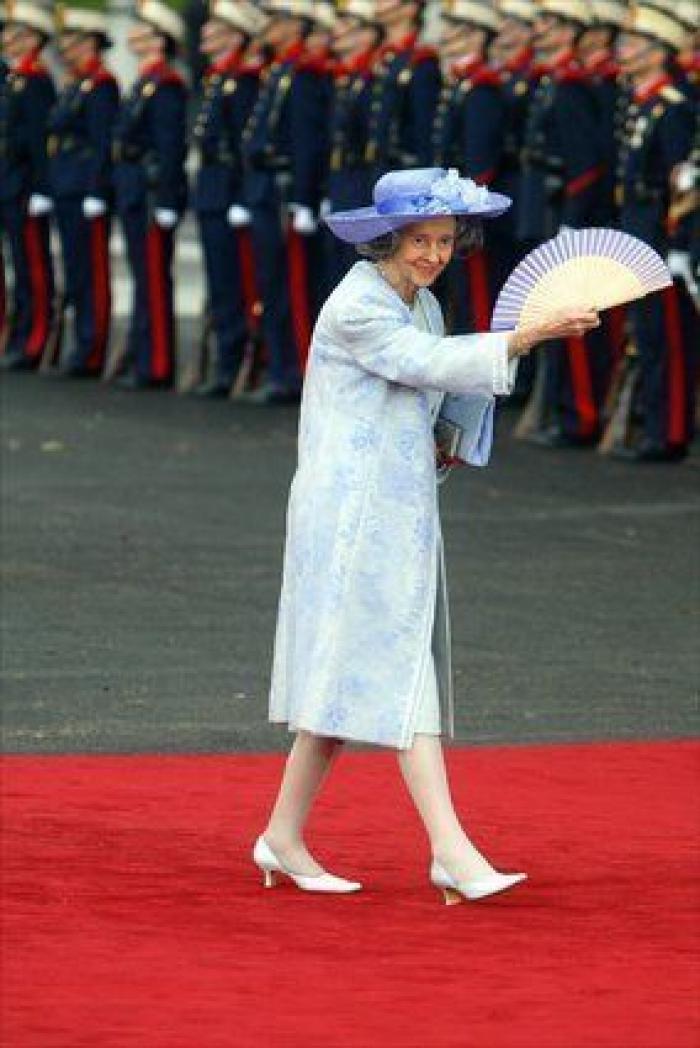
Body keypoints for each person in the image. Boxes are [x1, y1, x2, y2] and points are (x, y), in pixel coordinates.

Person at [252, 167, 600, 903]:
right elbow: (423, 363)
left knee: (345, 676)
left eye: (445, 241)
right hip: (349, 514)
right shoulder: (357, 305)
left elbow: (433, 387)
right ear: (388, 238)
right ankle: (451, 851)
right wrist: (521, 337)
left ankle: (282, 835)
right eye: (421, 240)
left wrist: (447, 434)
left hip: (395, 505)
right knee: (401, 667)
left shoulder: (424, 302)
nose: (435, 254)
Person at [612, 2, 698, 461]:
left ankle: (669, 432)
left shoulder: (672, 109)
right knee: (646, 334)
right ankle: (653, 424)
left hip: (660, 236)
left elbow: (682, 186)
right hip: (637, 230)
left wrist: (679, 244)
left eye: (633, 43)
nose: (623, 50)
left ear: (658, 51)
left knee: (668, 338)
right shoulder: (641, 101)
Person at [189, 0, 268, 397]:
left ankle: (236, 361)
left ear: (236, 37)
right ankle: (225, 359)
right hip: (211, 188)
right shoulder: (218, 77)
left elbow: (242, 145)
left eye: (215, 28)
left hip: (229, 191)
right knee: (219, 283)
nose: (205, 33)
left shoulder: (244, 80)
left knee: (236, 282)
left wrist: (239, 195)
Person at [111, 0, 188, 390]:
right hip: (135, 190)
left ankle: (156, 362)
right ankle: (143, 355)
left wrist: (168, 199)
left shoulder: (166, 85)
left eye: (142, 29)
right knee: (143, 277)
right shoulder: (144, 82)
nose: (134, 35)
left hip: (151, 193)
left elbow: (169, 147)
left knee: (154, 280)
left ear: (159, 40)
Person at [47, 0, 118, 378]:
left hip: (84, 187)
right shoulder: (76, 84)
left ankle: (92, 348)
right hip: (66, 184)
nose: (64, 48)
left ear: (89, 42)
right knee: (75, 270)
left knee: (92, 273)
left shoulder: (101, 86)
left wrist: (96, 189)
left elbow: (102, 142)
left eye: (71, 40)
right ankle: (80, 343)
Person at [0, 0, 56, 371]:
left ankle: (35, 337)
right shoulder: (14, 79)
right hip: (8, 181)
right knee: (16, 266)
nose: (7, 39)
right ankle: (17, 333)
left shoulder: (35, 81)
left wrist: (41, 188)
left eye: (14, 34)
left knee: (31, 267)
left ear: (32, 39)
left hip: (23, 185)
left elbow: (38, 141)